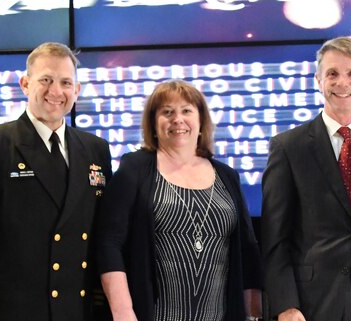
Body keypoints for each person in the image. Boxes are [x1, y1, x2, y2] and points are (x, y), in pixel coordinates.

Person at [0, 42, 113, 321]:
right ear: (25, 84)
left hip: (77, 312)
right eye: (45, 80)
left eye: (65, 82)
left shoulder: (95, 149)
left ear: (77, 90)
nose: (56, 92)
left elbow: (99, 237)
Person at [261, 36, 351, 321]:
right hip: (312, 302)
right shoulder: (288, 147)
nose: (342, 83)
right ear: (318, 79)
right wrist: (285, 305)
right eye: (332, 74)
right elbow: (274, 239)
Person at [94, 80, 263, 321]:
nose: (177, 119)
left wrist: (254, 313)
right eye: (167, 112)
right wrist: (123, 312)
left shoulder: (228, 176)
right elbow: (109, 243)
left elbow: (247, 250)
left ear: (201, 121)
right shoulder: (135, 169)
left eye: (186, 110)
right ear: (153, 123)